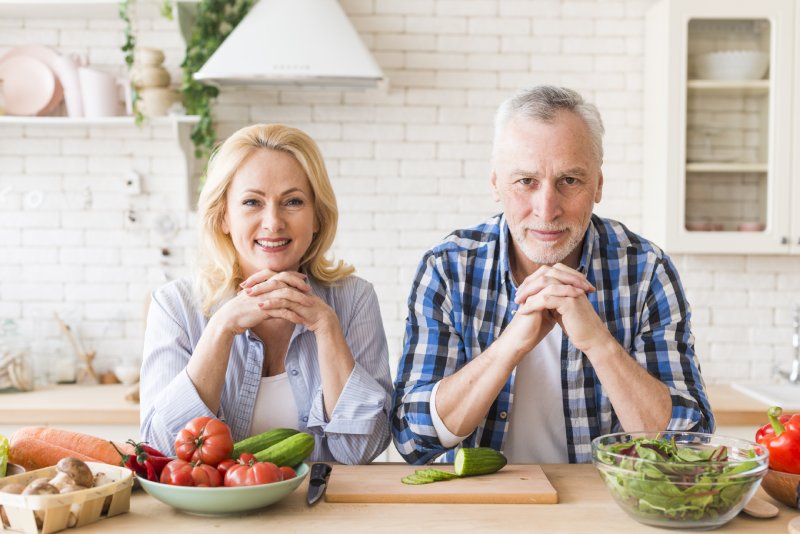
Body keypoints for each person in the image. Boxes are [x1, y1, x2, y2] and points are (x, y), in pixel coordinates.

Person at [391, 86, 714, 465]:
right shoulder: (449, 268)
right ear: (496, 183)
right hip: (479, 510)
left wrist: (599, 344)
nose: (547, 210)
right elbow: (415, 440)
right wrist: (510, 345)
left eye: (570, 181)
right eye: (526, 181)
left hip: (603, 510)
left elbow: (689, 448)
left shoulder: (645, 270)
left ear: (598, 185)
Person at [140, 123, 392, 464]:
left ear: (316, 217)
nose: (273, 222)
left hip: (326, 510)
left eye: (292, 201)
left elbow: (361, 450)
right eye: (251, 202)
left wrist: (326, 328)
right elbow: (162, 450)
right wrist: (221, 328)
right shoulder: (175, 306)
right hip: (216, 515)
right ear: (223, 216)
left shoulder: (353, 300)